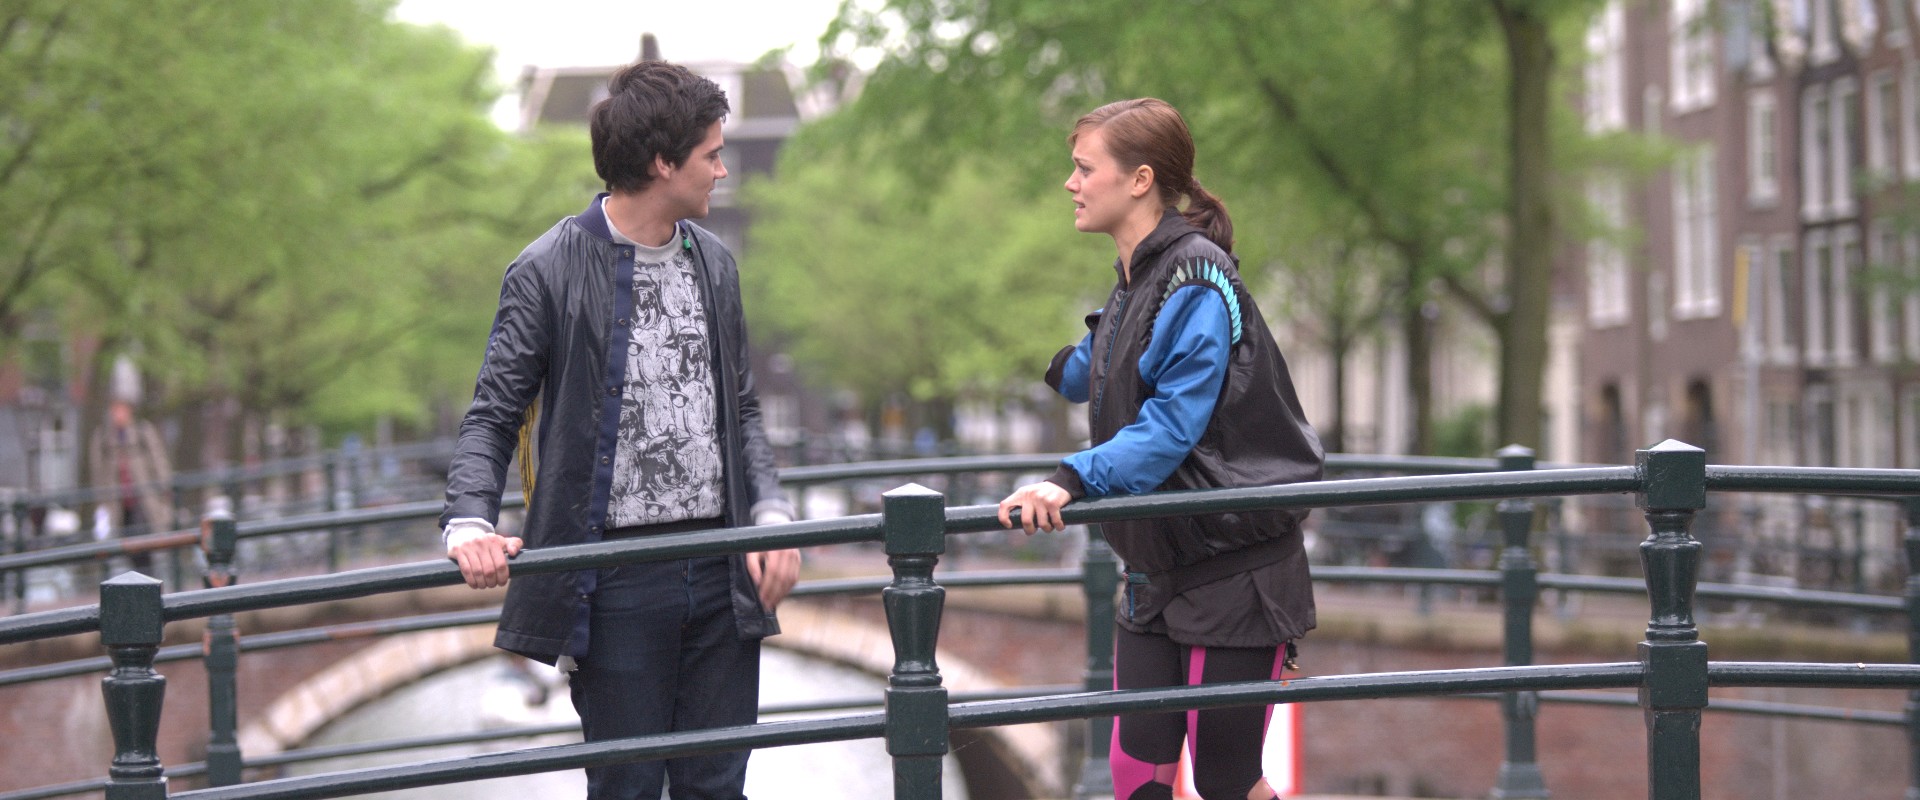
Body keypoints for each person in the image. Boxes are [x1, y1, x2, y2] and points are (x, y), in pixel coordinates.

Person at [438, 59, 800, 800]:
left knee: (718, 786)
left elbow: (742, 409)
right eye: (711, 155)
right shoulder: (545, 269)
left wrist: (769, 513)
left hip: (722, 570)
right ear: (663, 162)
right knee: (627, 787)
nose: (723, 170)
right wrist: (468, 521)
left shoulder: (717, 264)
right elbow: (493, 413)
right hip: (613, 582)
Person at [997, 98, 1323, 800]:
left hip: (1234, 569)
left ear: (1140, 179)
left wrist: (1069, 478)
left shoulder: (1196, 277)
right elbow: (1104, 362)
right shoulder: (1136, 277)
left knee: (1227, 780)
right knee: (1137, 775)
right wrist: (1063, 366)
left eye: (1085, 168)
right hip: (1155, 569)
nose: (1071, 183)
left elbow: (1172, 428)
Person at [90, 396, 174, 574]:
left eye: (122, 410)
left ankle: (148, 580)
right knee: (127, 546)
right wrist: (102, 502)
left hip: (143, 500)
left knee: (144, 544)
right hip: (118, 504)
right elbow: (97, 470)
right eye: (115, 410)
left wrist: (164, 487)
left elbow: (158, 460)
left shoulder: (143, 431)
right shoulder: (103, 436)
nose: (118, 415)